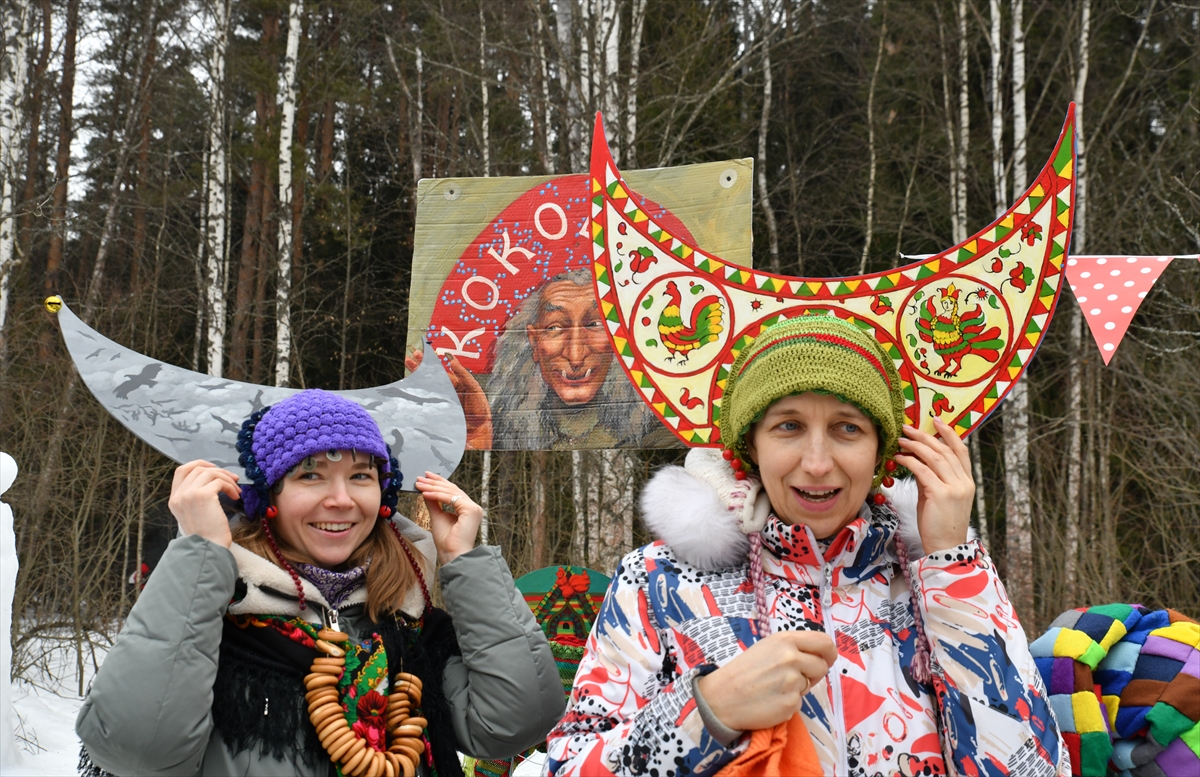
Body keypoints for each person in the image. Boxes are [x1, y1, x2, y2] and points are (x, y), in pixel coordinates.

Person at [545, 315, 1068, 776]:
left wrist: (951, 562)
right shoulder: (657, 582)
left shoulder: (941, 577)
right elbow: (567, 767)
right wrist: (706, 712)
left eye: (847, 428)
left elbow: (1031, 768)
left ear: (883, 450)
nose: (817, 463)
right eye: (789, 426)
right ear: (751, 444)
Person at [76, 389, 564, 777]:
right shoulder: (213, 618)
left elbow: (513, 723)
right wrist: (202, 553)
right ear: (270, 496)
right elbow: (137, 752)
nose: (341, 500)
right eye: (310, 475)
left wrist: (464, 561)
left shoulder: (409, 629)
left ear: (383, 494)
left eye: (360, 476)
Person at [410, 269, 677, 451]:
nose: (575, 355)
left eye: (595, 324)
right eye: (554, 328)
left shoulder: (662, 427)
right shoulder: (487, 415)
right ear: (534, 343)